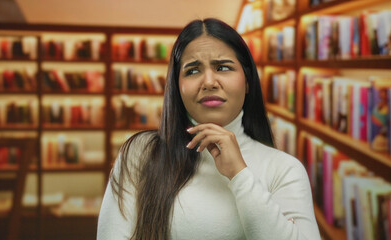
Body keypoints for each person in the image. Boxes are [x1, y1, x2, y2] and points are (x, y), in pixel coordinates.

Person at [97, 18, 321, 240]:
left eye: (222, 67)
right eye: (193, 71)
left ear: (248, 81)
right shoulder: (140, 153)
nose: (209, 82)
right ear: (178, 87)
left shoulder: (284, 170)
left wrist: (240, 174)